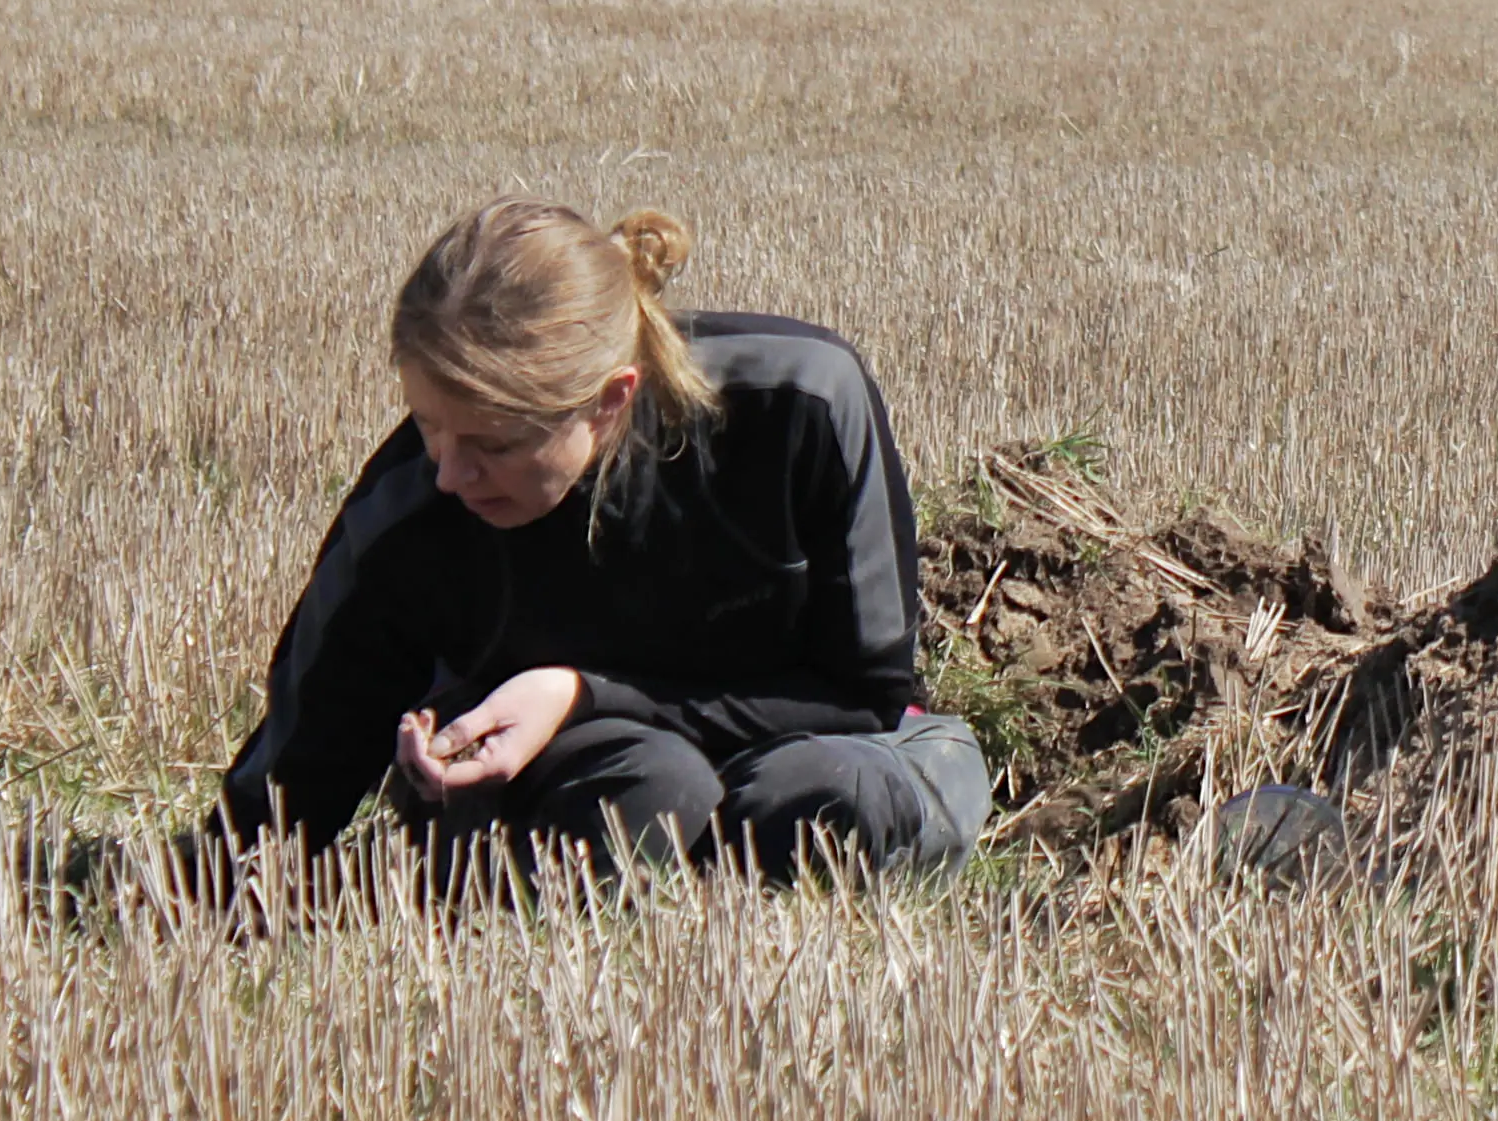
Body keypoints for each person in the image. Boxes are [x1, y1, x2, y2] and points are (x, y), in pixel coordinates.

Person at [207, 200, 986, 883]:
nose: (448, 473)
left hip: (818, 742)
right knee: (649, 799)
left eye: (495, 442)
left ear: (613, 400)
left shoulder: (804, 405)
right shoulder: (414, 505)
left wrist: (579, 691)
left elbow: (867, 694)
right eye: (427, 424)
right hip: (596, 774)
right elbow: (298, 769)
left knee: (824, 797)